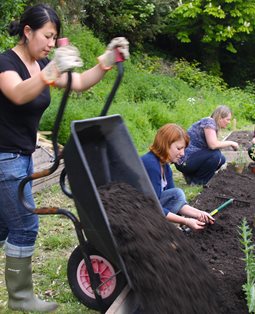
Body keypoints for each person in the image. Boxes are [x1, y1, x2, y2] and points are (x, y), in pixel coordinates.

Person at [0, 4, 129, 313]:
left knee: (5, 227)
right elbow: (17, 93)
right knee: (25, 225)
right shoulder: (5, 63)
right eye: (46, 35)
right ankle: (20, 298)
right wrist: (51, 71)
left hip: (21, 156)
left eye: (54, 37)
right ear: (28, 31)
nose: (50, 43)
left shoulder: (41, 63)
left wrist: (107, 61)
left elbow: (80, 83)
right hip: (3, 157)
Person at [141, 123, 214, 232]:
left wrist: (199, 213)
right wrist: (186, 221)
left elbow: (175, 201)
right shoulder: (151, 165)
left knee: (177, 193)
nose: (182, 153)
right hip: (139, 213)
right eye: (179, 148)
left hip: (151, 209)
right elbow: (153, 207)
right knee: (177, 193)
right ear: (165, 145)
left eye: (183, 149)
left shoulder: (165, 166)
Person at [175, 105, 239, 186]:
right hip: (184, 160)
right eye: (228, 119)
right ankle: (197, 182)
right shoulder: (209, 122)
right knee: (215, 155)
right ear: (220, 117)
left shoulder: (210, 123)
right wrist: (231, 143)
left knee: (221, 159)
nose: (229, 122)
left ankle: (191, 177)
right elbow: (213, 145)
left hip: (191, 159)